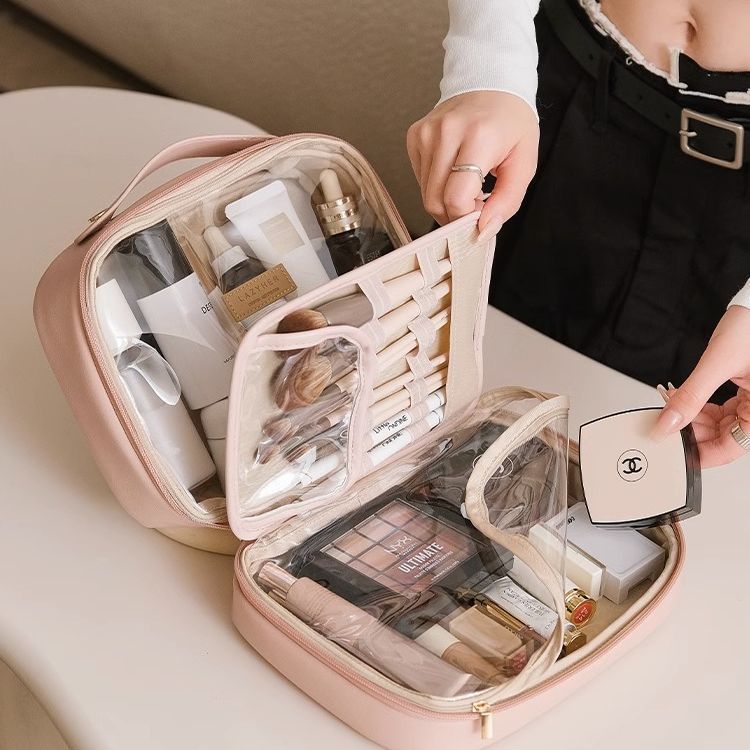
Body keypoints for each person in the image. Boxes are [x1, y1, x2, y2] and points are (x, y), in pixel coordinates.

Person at [407, 0, 750, 467]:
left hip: (734, 242)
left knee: (656, 469)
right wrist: (487, 63)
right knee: (431, 408)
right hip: (561, 107)